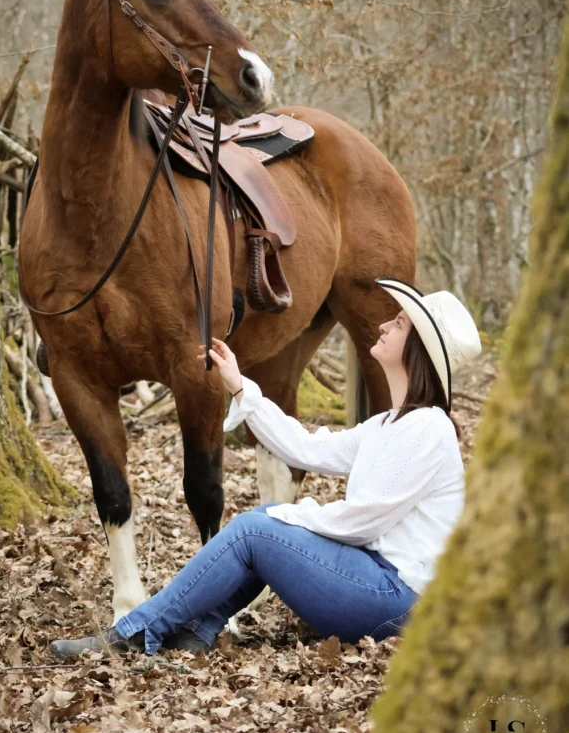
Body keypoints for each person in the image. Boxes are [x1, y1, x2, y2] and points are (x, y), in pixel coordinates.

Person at [50, 276, 481, 659]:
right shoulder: (392, 423)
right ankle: (197, 632)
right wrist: (241, 387)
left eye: (400, 324)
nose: (386, 324)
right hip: (381, 586)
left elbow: (363, 520)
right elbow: (307, 447)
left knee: (258, 529)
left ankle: (134, 632)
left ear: (417, 349)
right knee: (261, 524)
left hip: (400, 600)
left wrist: (288, 516)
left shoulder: (428, 428)